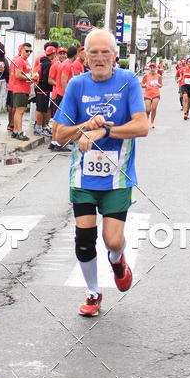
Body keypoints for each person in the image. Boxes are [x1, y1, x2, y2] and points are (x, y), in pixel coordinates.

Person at [54, 28, 149, 317]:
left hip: (117, 177)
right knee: (84, 239)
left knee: (113, 240)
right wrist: (85, 127)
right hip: (82, 177)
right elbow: (58, 134)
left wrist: (105, 130)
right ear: (84, 56)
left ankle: (118, 260)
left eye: (105, 52)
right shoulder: (76, 85)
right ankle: (93, 292)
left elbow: (142, 127)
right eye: (93, 52)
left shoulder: (128, 82)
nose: (99, 57)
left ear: (114, 55)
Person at [8, 42, 33, 140]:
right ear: (22, 50)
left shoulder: (25, 61)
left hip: (24, 88)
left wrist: (30, 78)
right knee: (20, 111)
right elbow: (18, 75)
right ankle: (19, 131)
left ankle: (16, 131)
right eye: (27, 51)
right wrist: (29, 78)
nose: (29, 53)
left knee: (19, 111)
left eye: (30, 51)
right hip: (20, 88)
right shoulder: (20, 60)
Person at [33, 43, 57, 137]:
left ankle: (42, 127)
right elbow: (47, 78)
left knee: (42, 109)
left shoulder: (42, 62)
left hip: (40, 88)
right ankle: (38, 128)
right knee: (40, 109)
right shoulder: (48, 64)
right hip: (43, 88)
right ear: (52, 54)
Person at [141, 61, 162, 128]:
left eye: (153, 67)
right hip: (147, 94)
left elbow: (161, 85)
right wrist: (145, 85)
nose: (152, 69)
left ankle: (152, 122)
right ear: (149, 68)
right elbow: (142, 84)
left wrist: (159, 85)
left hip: (156, 94)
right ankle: (147, 120)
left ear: (156, 68)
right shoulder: (146, 76)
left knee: (154, 108)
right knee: (147, 110)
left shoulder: (158, 76)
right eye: (151, 67)